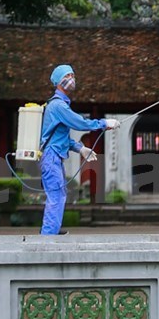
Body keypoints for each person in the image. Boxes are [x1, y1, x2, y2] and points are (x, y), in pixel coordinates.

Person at [40, 63, 119, 236]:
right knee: (56, 195)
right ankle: (47, 237)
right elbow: (80, 123)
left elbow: (61, 139)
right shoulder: (58, 106)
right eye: (67, 76)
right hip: (51, 156)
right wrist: (104, 123)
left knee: (59, 194)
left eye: (73, 76)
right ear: (59, 81)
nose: (72, 79)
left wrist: (80, 148)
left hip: (55, 156)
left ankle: (52, 230)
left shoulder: (58, 105)